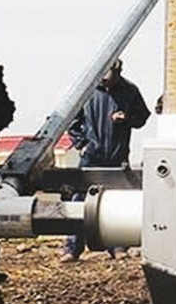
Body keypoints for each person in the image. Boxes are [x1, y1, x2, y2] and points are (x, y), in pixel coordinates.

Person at [62, 59, 150, 261]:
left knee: (118, 201)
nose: (107, 84)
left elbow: (142, 116)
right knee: (80, 199)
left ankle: (117, 247)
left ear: (119, 74)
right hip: (91, 156)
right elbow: (71, 122)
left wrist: (127, 118)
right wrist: (81, 144)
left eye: (110, 81)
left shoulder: (129, 90)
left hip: (117, 155)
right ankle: (72, 248)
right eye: (104, 80)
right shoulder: (86, 91)